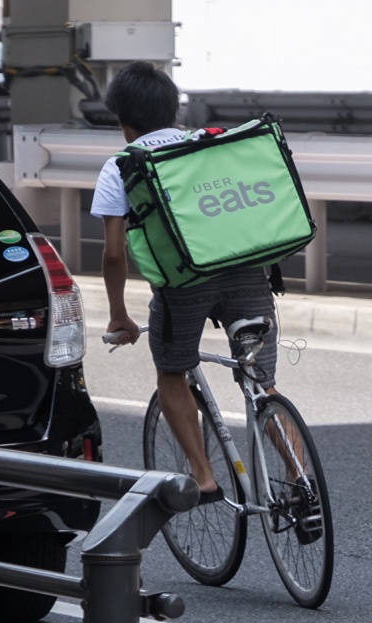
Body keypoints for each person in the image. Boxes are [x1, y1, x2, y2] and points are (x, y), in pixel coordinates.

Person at [92, 62, 283, 505]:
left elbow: (115, 253)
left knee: (171, 371)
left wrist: (119, 314)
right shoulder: (206, 145)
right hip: (245, 268)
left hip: (185, 285)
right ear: (173, 109)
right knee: (262, 384)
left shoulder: (121, 166)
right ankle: (301, 481)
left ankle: (203, 477)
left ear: (122, 121)